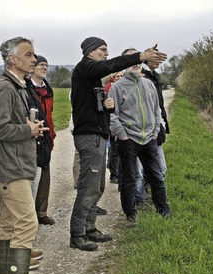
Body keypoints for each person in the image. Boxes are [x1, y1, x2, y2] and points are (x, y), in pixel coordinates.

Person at [69, 37, 167, 251]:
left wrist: (106, 106)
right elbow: (109, 66)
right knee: (88, 186)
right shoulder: (86, 67)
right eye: (103, 50)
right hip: (89, 136)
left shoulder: (92, 77)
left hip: (98, 134)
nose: (106, 53)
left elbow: (92, 106)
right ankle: (77, 234)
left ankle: (90, 227)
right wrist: (140, 56)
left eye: (106, 50)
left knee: (98, 185)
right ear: (90, 52)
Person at [0, 37, 49, 274]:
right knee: (27, 223)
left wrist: (27, 126)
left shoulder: (16, 86)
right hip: (10, 169)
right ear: (12, 59)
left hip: (12, 166)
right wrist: (28, 131)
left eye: (33, 55)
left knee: (8, 223)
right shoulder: (5, 88)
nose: (34, 59)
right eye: (28, 54)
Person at [109, 48, 171, 222]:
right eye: (131, 60)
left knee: (157, 176)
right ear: (124, 64)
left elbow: (156, 110)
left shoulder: (149, 84)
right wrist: (122, 135)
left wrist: (155, 131)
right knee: (129, 179)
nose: (135, 64)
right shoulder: (117, 87)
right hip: (128, 139)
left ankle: (163, 210)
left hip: (149, 138)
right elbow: (113, 115)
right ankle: (130, 214)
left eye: (137, 60)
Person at [25, 55, 56, 226]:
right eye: (41, 65)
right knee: (32, 177)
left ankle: (41, 212)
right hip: (32, 137)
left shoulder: (48, 91)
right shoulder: (28, 89)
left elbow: (50, 115)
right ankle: (29, 215)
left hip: (47, 139)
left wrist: (52, 136)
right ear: (33, 68)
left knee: (45, 176)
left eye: (46, 65)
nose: (44, 68)